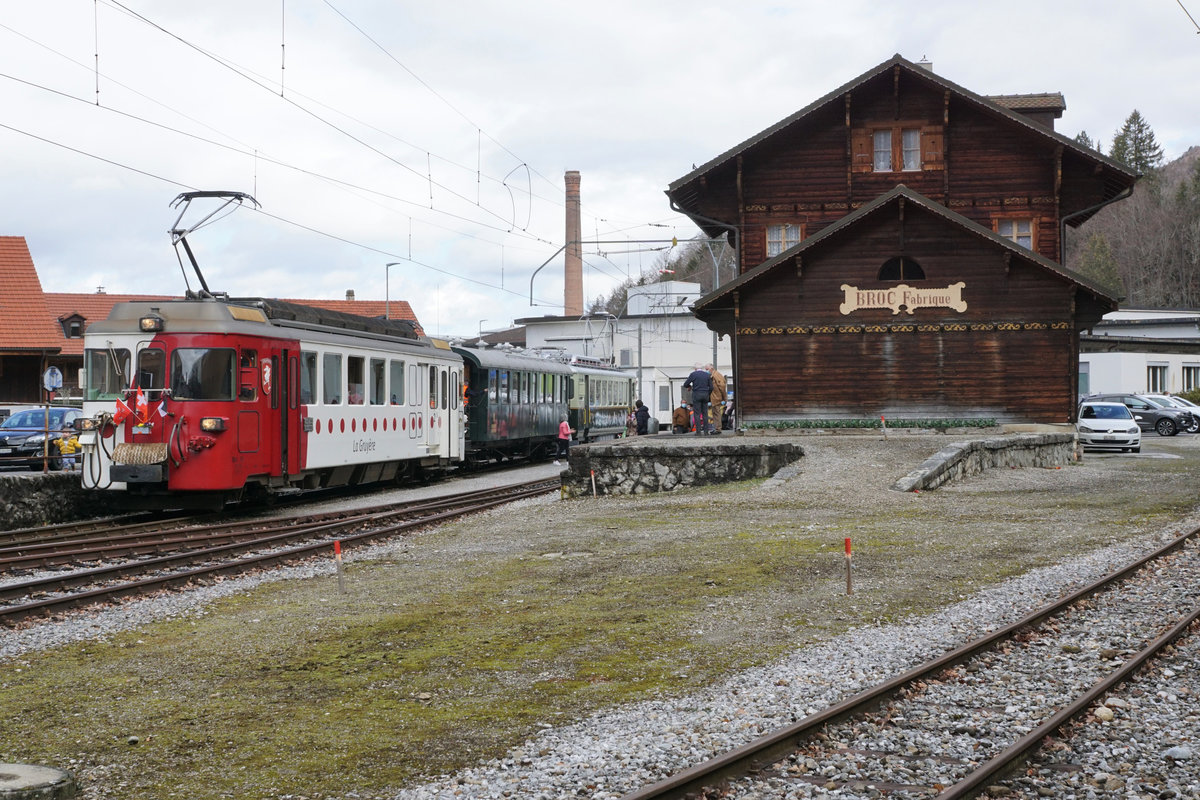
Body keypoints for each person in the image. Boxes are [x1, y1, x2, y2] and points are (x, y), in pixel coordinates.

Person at [683, 363, 713, 435]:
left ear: (695, 369)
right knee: (705, 413)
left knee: (697, 414)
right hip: (705, 395)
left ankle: (698, 431)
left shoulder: (693, 374)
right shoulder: (707, 375)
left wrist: (690, 386)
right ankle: (706, 432)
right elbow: (711, 387)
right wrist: (707, 393)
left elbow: (685, 384)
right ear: (702, 368)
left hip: (696, 395)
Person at [707, 364, 727, 435]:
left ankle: (718, 429)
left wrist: (724, 398)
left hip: (717, 397)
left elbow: (722, 386)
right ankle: (716, 428)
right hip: (715, 397)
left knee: (717, 413)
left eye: (707, 369)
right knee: (715, 413)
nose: (706, 371)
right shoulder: (713, 375)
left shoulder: (716, 375)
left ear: (711, 369)